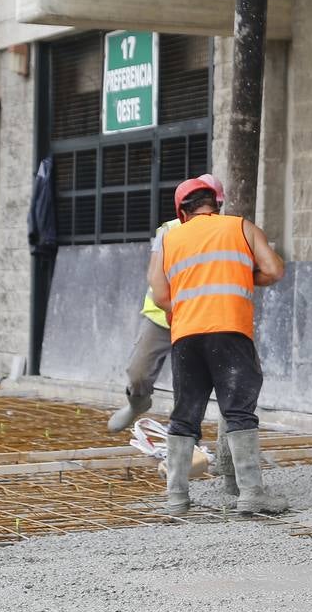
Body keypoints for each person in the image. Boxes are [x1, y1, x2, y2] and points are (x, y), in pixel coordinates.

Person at [148, 176, 287, 516]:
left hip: (186, 336)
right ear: (216, 203)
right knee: (238, 411)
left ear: (182, 211)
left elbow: (160, 295)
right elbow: (274, 270)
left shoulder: (168, 237)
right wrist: (237, 274)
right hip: (231, 332)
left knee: (185, 413)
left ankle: (177, 499)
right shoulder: (241, 227)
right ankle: (251, 493)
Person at [108, 176, 243, 499]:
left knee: (203, 391)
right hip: (164, 316)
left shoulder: (228, 231)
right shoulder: (168, 231)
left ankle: (225, 472)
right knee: (138, 372)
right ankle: (137, 401)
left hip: (207, 320)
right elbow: (158, 277)